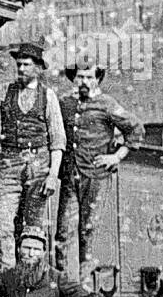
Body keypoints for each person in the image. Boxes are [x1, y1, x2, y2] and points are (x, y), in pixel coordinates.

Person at [0, 40, 66, 271]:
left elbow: (58, 140)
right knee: (2, 223)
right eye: (19, 65)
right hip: (9, 163)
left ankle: (32, 278)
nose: (21, 69)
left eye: (26, 65)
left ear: (38, 68)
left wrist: (52, 175)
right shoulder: (5, 91)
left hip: (39, 165)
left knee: (33, 227)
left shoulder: (48, 96)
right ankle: (7, 277)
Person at [54, 64, 145, 280]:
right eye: (79, 77)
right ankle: (63, 283)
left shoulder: (107, 104)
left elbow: (136, 128)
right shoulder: (65, 102)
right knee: (63, 232)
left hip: (95, 176)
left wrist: (116, 156)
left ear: (97, 80)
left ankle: (84, 283)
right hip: (70, 174)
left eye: (88, 77)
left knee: (88, 230)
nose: (84, 81)